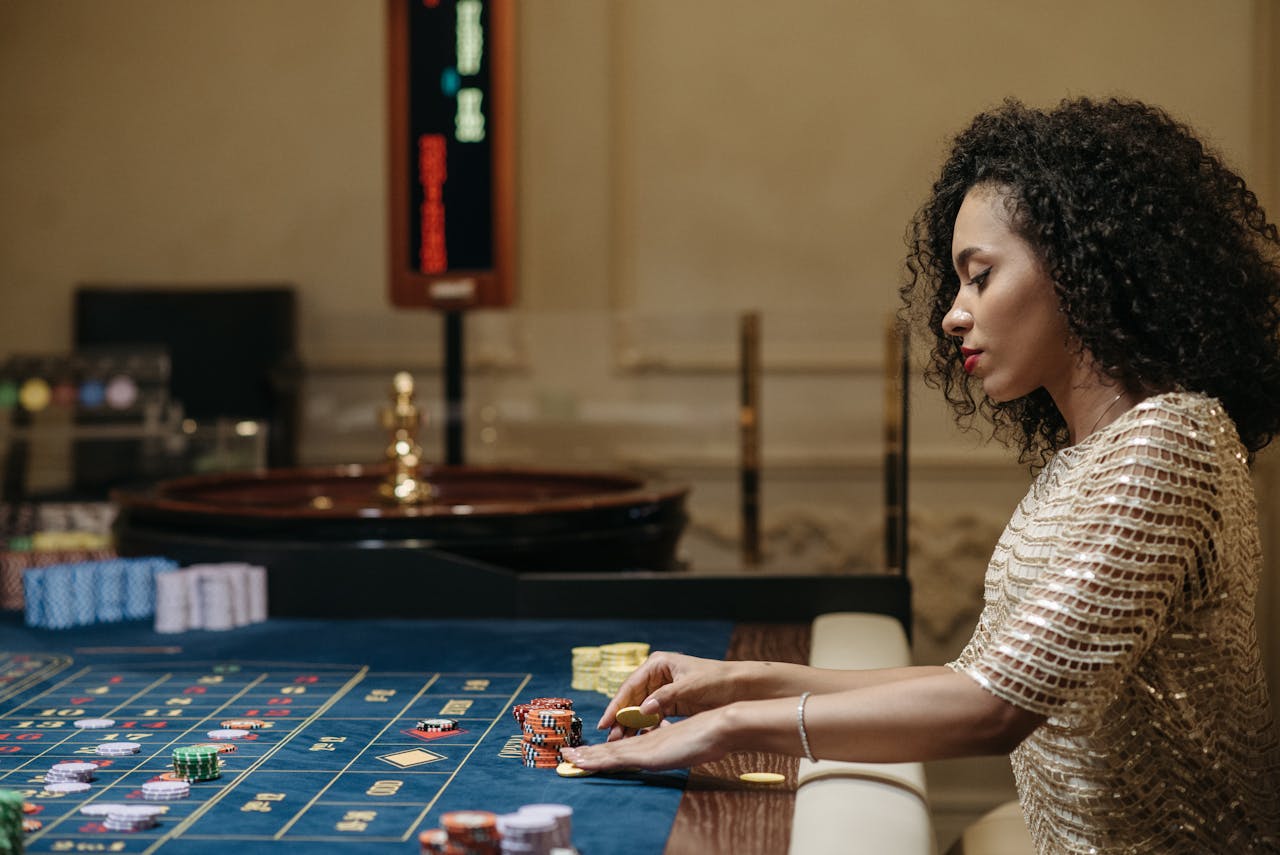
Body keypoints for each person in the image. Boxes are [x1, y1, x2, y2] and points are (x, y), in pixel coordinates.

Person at [561, 97, 1280, 853]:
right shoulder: (1092, 454)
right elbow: (973, 674)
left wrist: (729, 729)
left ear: (1078, 267)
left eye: (980, 277)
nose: (952, 315)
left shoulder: (1168, 444)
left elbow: (990, 709)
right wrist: (734, 681)